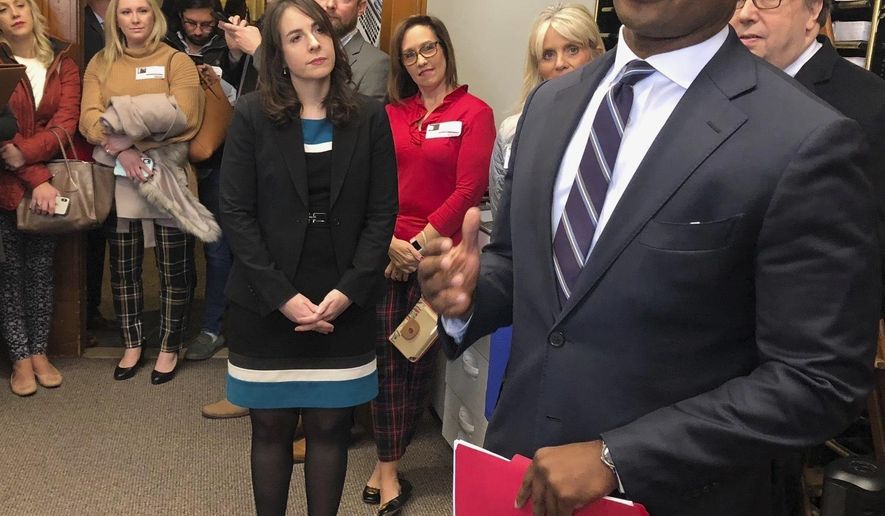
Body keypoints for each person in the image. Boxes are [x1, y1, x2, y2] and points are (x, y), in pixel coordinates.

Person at [418, 0, 881, 514]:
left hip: (676, 494)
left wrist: (620, 457)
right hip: (521, 473)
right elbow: (519, 265)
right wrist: (468, 295)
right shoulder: (550, 105)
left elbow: (818, 378)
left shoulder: (802, 138)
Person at [219, 0, 396, 514]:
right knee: (271, 427)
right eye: (296, 37)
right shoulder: (251, 114)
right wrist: (282, 297)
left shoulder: (368, 115)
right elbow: (236, 213)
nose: (314, 43)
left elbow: (382, 214)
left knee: (329, 427)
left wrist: (349, 291)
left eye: (318, 30)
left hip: (345, 297)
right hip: (266, 298)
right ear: (277, 55)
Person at [364, 14, 494, 515]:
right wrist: (388, 244)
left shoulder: (475, 112)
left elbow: (469, 190)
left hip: (434, 257)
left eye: (429, 48)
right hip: (386, 250)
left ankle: (387, 465)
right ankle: (387, 463)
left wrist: (414, 247)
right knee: (381, 359)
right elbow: (372, 184)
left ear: (445, 49)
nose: (421, 61)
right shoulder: (392, 114)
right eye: (411, 54)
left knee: (410, 360)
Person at [79, 0, 204, 385]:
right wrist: (128, 147)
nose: (135, 18)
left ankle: (169, 345)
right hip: (119, 178)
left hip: (167, 177)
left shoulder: (176, 62)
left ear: (155, 15)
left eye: (143, 10)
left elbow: (185, 118)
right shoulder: (100, 62)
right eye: (126, 11)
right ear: (116, 17)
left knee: (174, 268)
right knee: (124, 269)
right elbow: (87, 119)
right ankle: (133, 343)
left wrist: (120, 121)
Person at [0, 0, 80, 396]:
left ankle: (39, 352)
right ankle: (19, 359)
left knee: (41, 269)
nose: (14, 12)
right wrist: (35, 177)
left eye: (20, 4)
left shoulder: (62, 59)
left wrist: (33, 165)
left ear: (33, 11)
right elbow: (2, 131)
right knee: (8, 273)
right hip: (6, 183)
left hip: (48, 180)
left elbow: (66, 123)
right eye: (2, 7)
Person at [165, 0, 238, 362]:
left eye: (206, 25)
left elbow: (247, 101)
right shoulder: (162, 46)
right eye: (191, 24)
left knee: (217, 247)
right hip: (169, 161)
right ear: (180, 19)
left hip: (218, 160)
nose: (198, 31)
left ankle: (213, 326)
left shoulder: (232, 48)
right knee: (173, 247)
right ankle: (172, 326)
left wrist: (234, 63)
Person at [489, 3, 604, 217]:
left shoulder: (612, 125)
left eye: (572, 49)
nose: (560, 63)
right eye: (548, 55)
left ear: (596, 54)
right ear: (538, 67)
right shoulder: (512, 132)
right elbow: (502, 216)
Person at [316, 0, 388, 102]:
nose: (330, 4)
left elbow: (367, 117)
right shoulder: (298, 53)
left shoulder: (377, 65)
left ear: (361, 7)